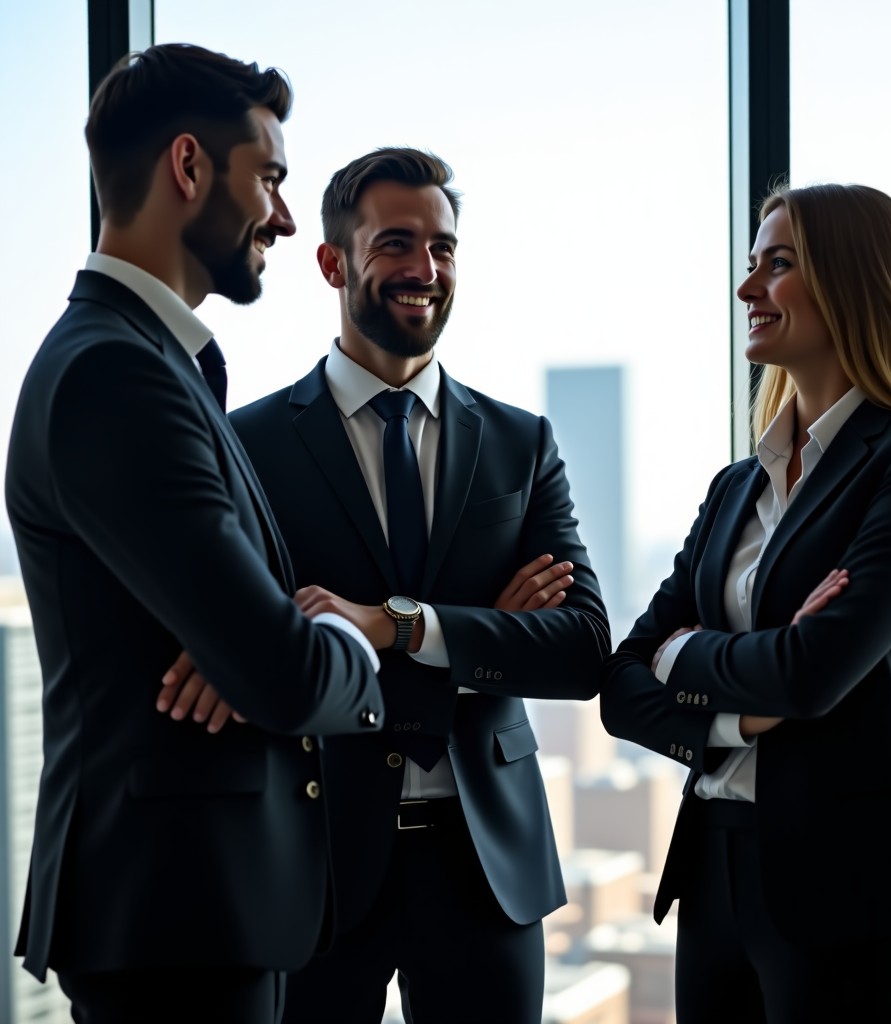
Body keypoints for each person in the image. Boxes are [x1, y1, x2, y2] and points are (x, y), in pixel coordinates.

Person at [5, 43, 384, 1024]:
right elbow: (284, 671)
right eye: (270, 178)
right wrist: (347, 634)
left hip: (197, 913)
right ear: (188, 166)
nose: (286, 218)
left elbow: (253, 651)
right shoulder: (115, 373)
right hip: (172, 921)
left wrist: (257, 643)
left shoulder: (146, 362)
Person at [219, 147, 610, 1023]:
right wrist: (482, 634)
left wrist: (396, 625)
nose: (425, 269)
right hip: (314, 864)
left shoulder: (519, 444)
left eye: (443, 247)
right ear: (333, 263)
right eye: (395, 243)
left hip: (487, 869)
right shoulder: (248, 445)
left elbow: (583, 650)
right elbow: (262, 660)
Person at [600, 182, 891, 1023]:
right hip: (712, 874)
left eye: (778, 264)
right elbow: (621, 687)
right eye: (752, 265)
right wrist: (739, 716)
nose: (747, 289)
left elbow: (813, 674)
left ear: (853, 280)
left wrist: (682, 653)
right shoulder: (735, 486)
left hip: (848, 885)